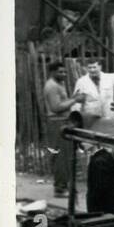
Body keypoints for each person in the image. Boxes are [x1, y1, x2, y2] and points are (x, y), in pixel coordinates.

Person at [43, 62, 85, 196]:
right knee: (60, 156)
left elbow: (62, 103)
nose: (64, 74)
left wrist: (72, 99)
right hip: (57, 123)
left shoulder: (58, 84)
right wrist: (75, 100)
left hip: (63, 122)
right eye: (60, 72)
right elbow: (56, 108)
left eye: (65, 72)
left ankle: (64, 186)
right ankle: (60, 188)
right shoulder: (52, 86)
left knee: (66, 156)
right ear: (52, 72)